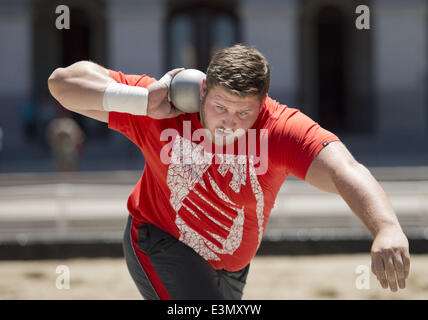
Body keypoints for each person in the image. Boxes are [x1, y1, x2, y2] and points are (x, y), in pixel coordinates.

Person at [48, 44, 410, 300]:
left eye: (244, 113)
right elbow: (62, 83)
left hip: (231, 267)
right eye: (220, 107)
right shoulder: (163, 106)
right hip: (160, 242)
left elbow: (344, 169)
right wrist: (139, 102)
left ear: (263, 103)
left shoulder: (280, 129)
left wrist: (387, 228)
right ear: (201, 91)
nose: (229, 123)